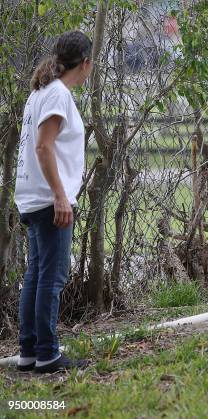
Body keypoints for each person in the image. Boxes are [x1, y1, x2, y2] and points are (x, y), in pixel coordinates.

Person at [14, 31, 93, 374]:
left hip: (32, 196)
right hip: (49, 199)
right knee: (53, 275)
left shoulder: (41, 91)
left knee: (37, 273)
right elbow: (44, 147)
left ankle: (28, 351)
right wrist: (61, 196)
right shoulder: (58, 94)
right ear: (86, 63)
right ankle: (47, 354)